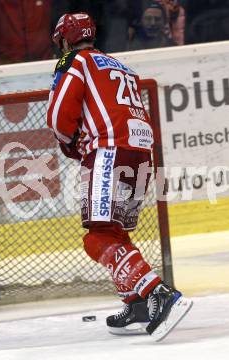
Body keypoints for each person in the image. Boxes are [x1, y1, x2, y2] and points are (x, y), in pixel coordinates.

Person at [46, 13, 192, 339]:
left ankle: (158, 293)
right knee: (115, 233)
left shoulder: (75, 60)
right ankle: (137, 303)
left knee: (96, 237)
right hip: (141, 153)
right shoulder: (119, 65)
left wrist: (69, 142)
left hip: (109, 151)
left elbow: (58, 117)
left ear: (65, 40)